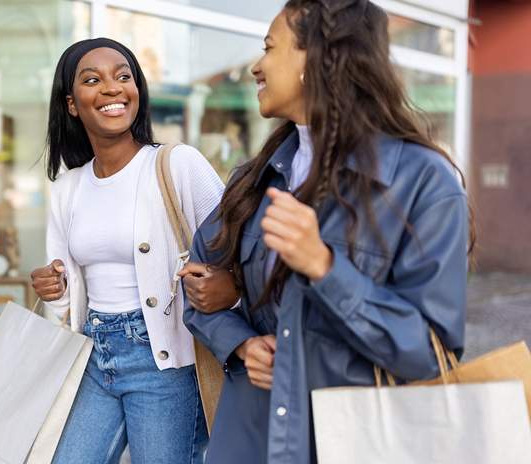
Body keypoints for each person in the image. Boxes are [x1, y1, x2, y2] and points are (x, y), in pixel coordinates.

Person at [180, 1, 474, 463]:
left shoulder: (423, 182)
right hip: (249, 440)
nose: (256, 66)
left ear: (316, 58)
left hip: (355, 443)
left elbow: (430, 353)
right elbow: (195, 284)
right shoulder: (253, 180)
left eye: (269, 48)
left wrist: (324, 266)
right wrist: (239, 342)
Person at [31, 37, 234, 463]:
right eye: (93, 80)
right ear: (71, 103)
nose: (112, 88)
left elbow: (235, 247)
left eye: (123, 77)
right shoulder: (68, 187)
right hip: (94, 353)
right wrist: (54, 288)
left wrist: (226, 288)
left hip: (163, 360)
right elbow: (66, 304)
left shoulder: (178, 164)